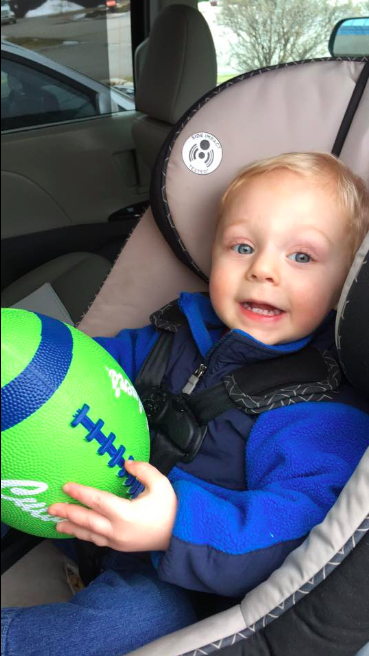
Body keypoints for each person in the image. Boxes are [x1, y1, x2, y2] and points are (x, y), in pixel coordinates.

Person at [2, 152, 369, 656]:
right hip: (83, 504)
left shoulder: (321, 411)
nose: (263, 269)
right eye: (242, 246)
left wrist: (175, 528)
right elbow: (92, 372)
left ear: (343, 287)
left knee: (142, 619)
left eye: (301, 257)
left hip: (181, 575)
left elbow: (295, 528)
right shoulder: (173, 333)